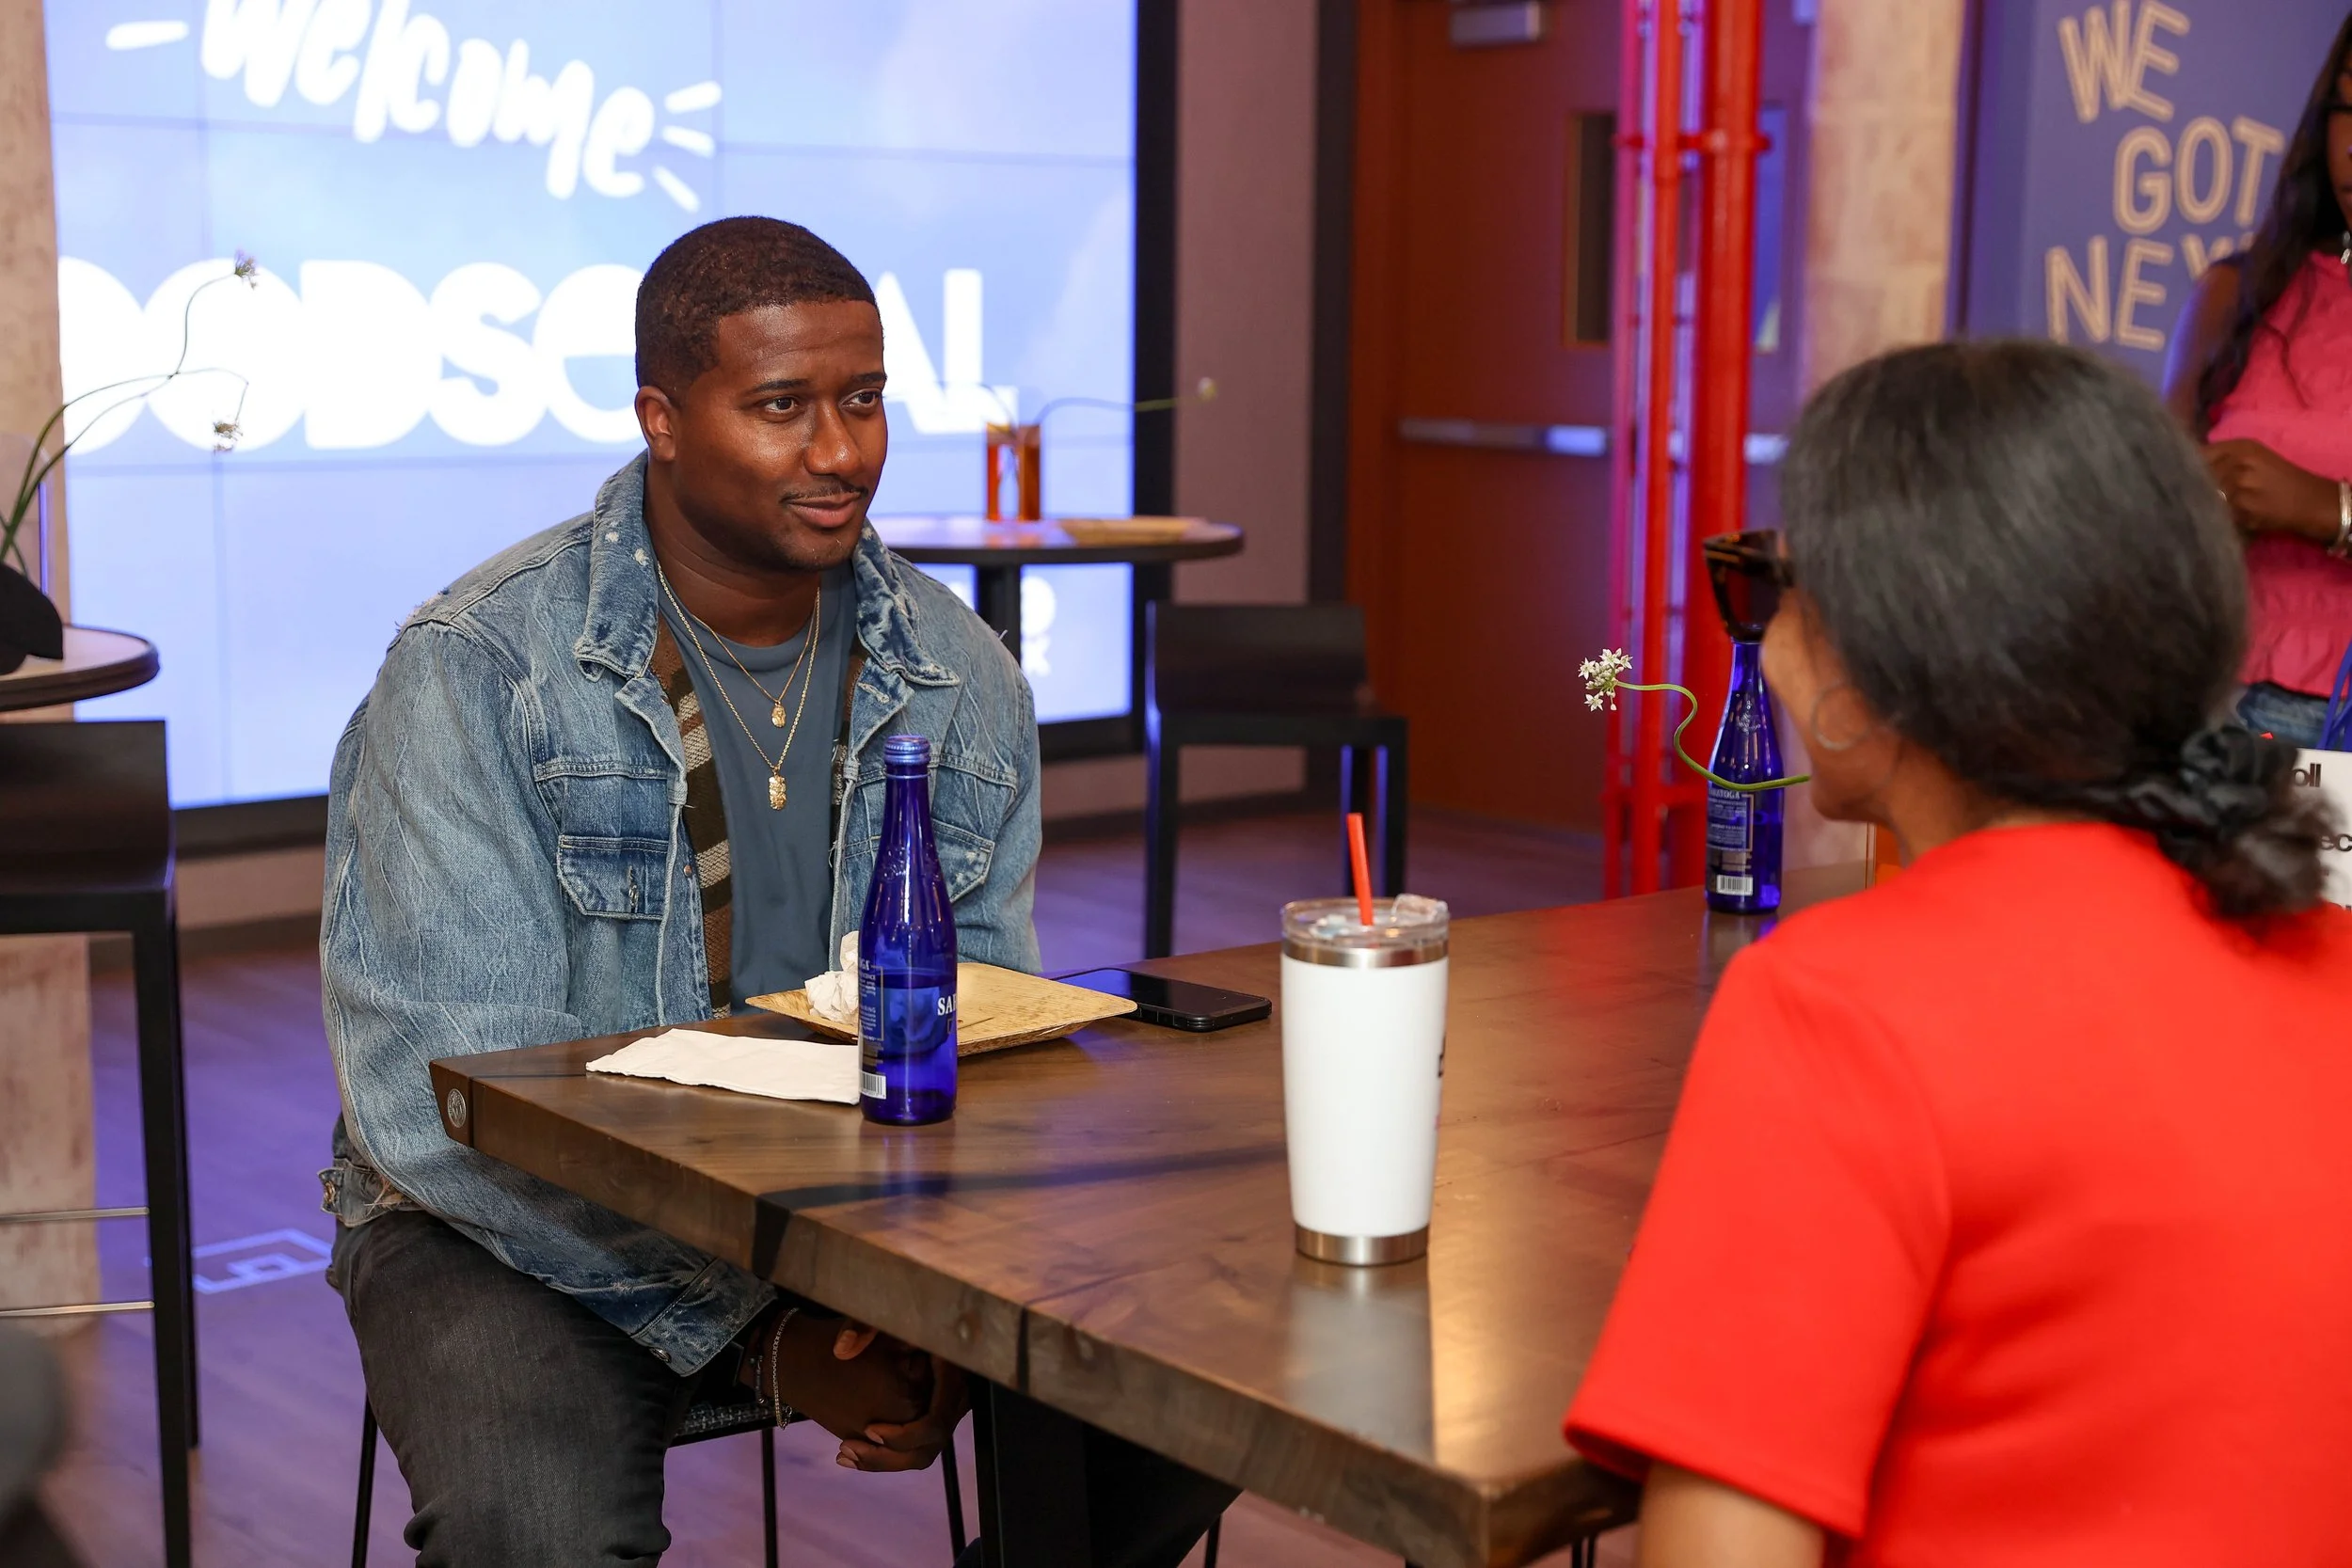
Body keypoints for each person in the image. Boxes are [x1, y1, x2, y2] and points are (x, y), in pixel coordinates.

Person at [320, 217, 1230, 1564]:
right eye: (782, 406)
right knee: (539, 1530)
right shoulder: (482, 666)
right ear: (663, 417)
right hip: (502, 1219)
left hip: (851, 1200)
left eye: (861, 399)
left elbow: (978, 1027)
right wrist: (778, 1333)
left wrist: (947, 1288)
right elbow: (448, 1103)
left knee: (1208, 1375)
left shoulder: (959, 667)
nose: (841, 450)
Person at [1565, 341, 2352, 1566]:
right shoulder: (2329, 954)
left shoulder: (1837, 1004)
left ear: (1886, 662)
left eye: (1788, 593)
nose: (1769, 649)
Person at [2163, 10, 2352, 746]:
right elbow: (2153, 530)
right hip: (2238, 720)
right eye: (2347, 107)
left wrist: (2329, 512)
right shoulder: (2236, 295)